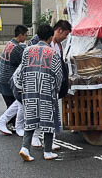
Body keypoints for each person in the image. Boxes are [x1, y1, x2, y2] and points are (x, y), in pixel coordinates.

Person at [12, 24, 65, 161]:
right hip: (46, 90)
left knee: (30, 120)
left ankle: (25, 148)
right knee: (48, 121)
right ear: (50, 37)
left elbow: (21, 70)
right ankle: (47, 152)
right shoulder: (52, 53)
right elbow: (58, 75)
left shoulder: (28, 50)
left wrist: (22, 87)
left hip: (29, 90)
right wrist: (56, 89)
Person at [26, 20, 71, 149]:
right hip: (39, 82)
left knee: (52, 114)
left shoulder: (59, 46)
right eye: (65, 34)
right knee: (39, 111)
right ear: (59, 30)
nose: (65, 38)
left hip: (52, 84)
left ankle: (50, 141)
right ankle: (35, 137)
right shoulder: (39, 43)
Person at [0, 25, 28, 135]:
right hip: (8, 80)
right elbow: (24, 63)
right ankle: (9, 124)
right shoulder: (17, 48)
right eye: (25, 35)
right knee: (15, 103)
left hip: (1, 78)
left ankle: (10, 124)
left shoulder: (9, 44)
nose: (26, 38)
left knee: (13, 103)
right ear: (20, 35)